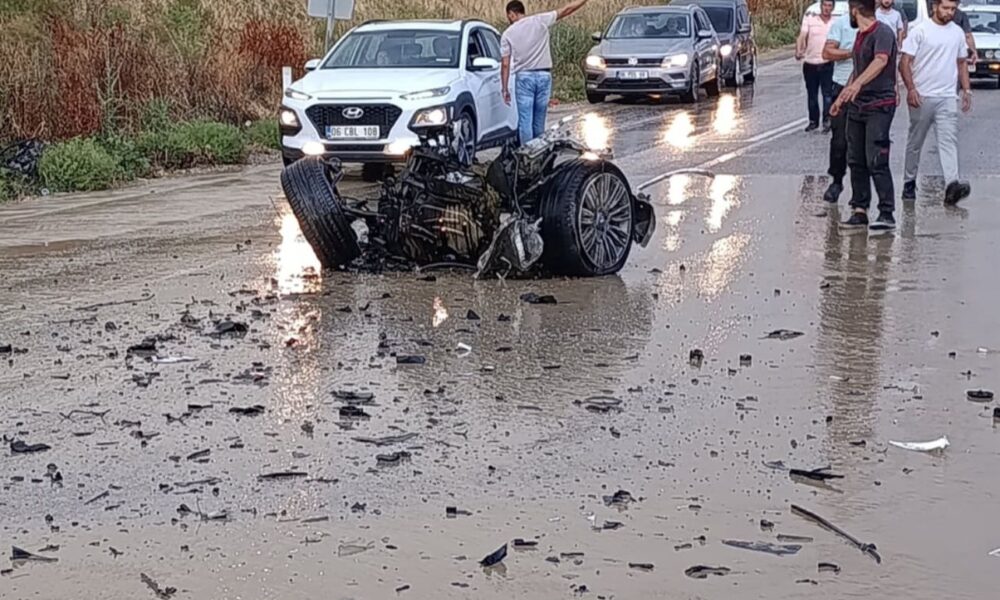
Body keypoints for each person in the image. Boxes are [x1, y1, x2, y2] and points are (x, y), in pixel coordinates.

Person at [831, 0, 899, 231]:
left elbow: (881, 60)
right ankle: (859, 210)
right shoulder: (860, 35)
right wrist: (842, 98)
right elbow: (858, 69)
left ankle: (886, 213)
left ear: (855, 10)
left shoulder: (883, 33)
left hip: (880, 104)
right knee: (855, 159)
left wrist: (857, 85)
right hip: (857, 106)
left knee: (876, 158)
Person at [899, 0, 973, 204]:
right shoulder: (920, 31)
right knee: (915, 141)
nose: (949, 12)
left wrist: (966, 90)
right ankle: (909, 181)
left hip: (947, 96)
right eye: (945, 8)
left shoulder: (957, 33)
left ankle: (952, 184)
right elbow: (904, 62)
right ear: (934, 7)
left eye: (953, 9)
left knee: (949, 140)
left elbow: (961, 63)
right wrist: (911, 88)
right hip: (922, 96)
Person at [501, 0, 590, 145]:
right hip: (544, 76)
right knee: (539, 120)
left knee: (525, 120)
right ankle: (539, 151)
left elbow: (505, 64)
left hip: (524, 78)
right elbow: (566, 9)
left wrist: (504, 88)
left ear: (511, 14)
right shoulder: (540, 20)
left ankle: (527, 153)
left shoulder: (507, 34)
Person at [822, 13, 858, 203]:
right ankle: (836, 181)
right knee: (839, 141)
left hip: (869, 90)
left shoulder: (880, 25)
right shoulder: (842, 23)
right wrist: (852, 53)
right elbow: (827, 53)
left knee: (864, 143)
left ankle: (860, 192)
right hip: (841, 86)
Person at [797, 0, 836, 132]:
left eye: (829, 6)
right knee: (812, 94)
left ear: (833, 8)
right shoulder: (810, 19)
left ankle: (827, 120)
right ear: (820, 6)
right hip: (810, 63)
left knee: (827, 94)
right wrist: (799, 50)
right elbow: (802, 36)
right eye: (824, 5)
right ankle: (813, 121)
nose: (826, 8)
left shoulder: (835, 22)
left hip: (827, 63)